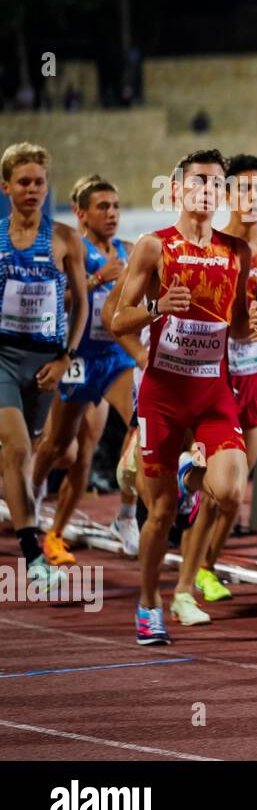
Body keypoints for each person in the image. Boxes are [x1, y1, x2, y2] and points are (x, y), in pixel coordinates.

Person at [111, 148, 257, 644]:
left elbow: (240, 329)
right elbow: (117, 320)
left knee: (230, 490)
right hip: (162, 393)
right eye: (198, 181)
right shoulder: (154, 247)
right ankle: (149, 604)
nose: (207, 190)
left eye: (216, 183)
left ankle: (188, 471)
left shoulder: (235, 252)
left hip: (212, 392)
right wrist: (157, 306)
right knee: (159, 513)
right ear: (177, 188)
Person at [30, 175, 140, 564]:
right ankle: (33, 491)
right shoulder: (69, 249)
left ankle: (123, 516)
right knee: (64, 449)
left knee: (140, 425)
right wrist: (95, 281)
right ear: (80, 213)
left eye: (115, 206)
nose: (112, 214)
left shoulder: (128, 251)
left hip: (117, 358)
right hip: (78, 359)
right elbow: (52, 304)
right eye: (102, 207)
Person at [0, 142, 87, 595]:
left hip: (46, 362)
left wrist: (65, 357)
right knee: (15, 447)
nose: (32, 189)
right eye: (23, 182)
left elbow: (82, 305)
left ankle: (15, 510)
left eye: (39, 182)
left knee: (26, 454)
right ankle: (32, 553)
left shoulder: (65, 239)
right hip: (2, 356)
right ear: (6, 186)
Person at [190, 154, 257, 604]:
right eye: (242, 190)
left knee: (238, 489)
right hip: (212, 376)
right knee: (215, 484)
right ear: (226, 197)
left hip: (254, 373)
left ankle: (206, 568)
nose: (251, 198)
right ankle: (190, 567)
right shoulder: (214, 246)